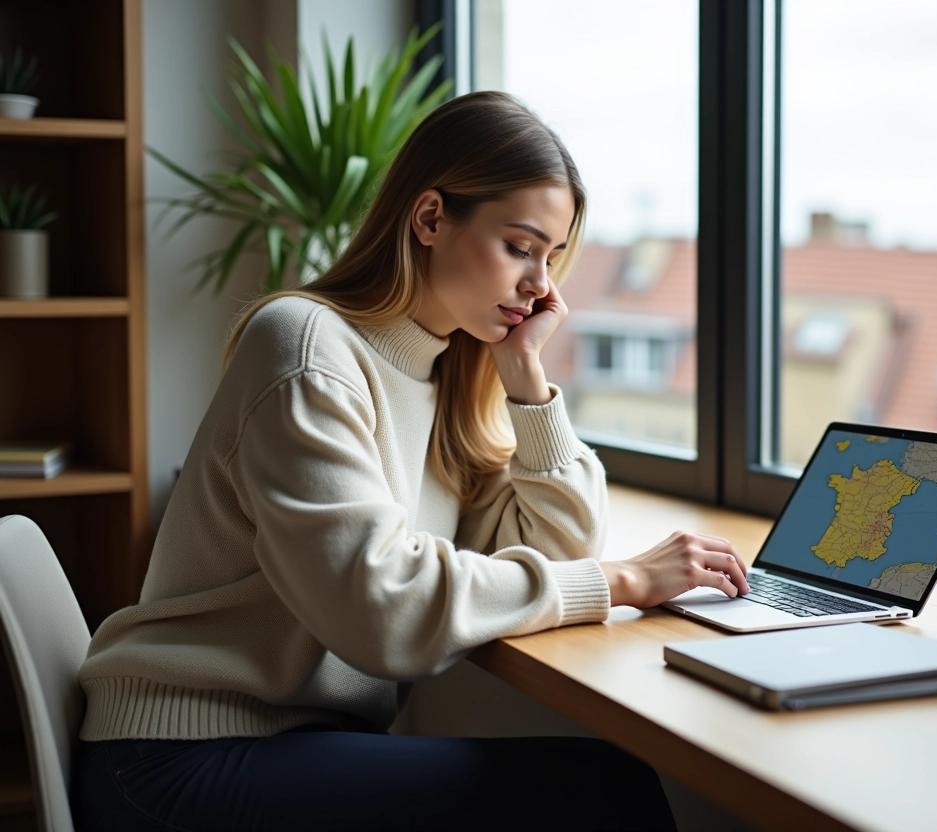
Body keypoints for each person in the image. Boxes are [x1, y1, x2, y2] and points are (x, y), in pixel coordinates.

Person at [70, 91, 750, 831]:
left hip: (289, 742)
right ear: (429, 218)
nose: (542, 287)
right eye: (520, 248)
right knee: (602, 791)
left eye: (552, 258)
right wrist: (623, 580)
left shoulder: (442, 375)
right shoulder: (306, 349)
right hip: (175, 756)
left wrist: (525, 379)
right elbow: (381, 610)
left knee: (600, 784)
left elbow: (561, 548)